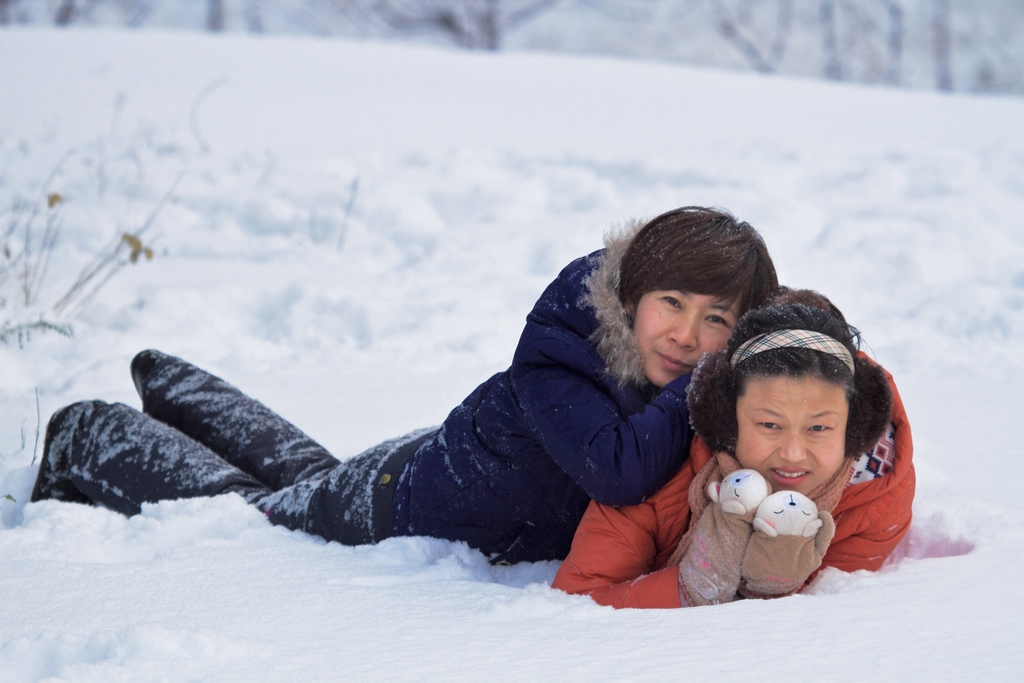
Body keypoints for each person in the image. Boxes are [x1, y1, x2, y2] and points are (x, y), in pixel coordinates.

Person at [30, 206, 778, 564]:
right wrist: (718, 369)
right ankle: (87, 429)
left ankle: (172, 384)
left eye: (718, 319)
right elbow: (615, 469)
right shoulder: (567, 348)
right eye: (672, 305)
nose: (687, 335)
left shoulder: (666, 371)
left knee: (305, 475)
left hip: (438, 466)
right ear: (634, 295)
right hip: (391, 503)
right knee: (253, 512)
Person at [551, 290, 914, 606]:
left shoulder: (874, 500)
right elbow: (577, 600)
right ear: (728, 418)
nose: (792, 453)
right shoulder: (658, 464)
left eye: (818, 428)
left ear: (854, 428)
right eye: (769, 424)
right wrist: (688, 589)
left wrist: (775, 587)